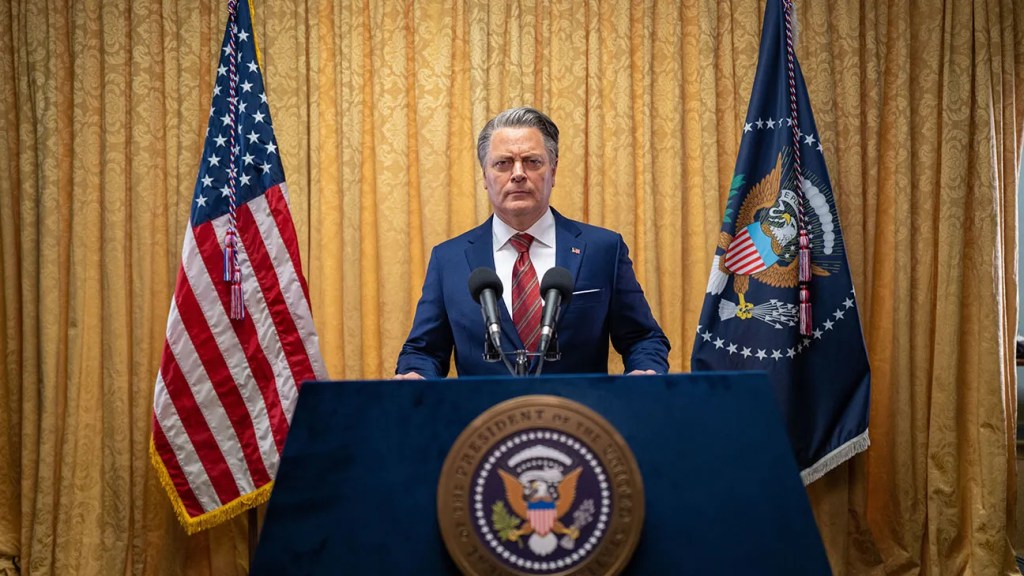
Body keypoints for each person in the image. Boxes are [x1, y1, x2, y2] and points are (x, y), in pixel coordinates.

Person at [394, 107, 669, 379]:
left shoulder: (602, 249)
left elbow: (642, 338)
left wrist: (644, 372)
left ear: (554, 170)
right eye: (503, 163)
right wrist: (416, 376)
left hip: (575, 408)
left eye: (532, 162)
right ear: (485, 176)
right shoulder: (449, 259)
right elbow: (424, 351)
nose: (518, 174)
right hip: (487, 409)